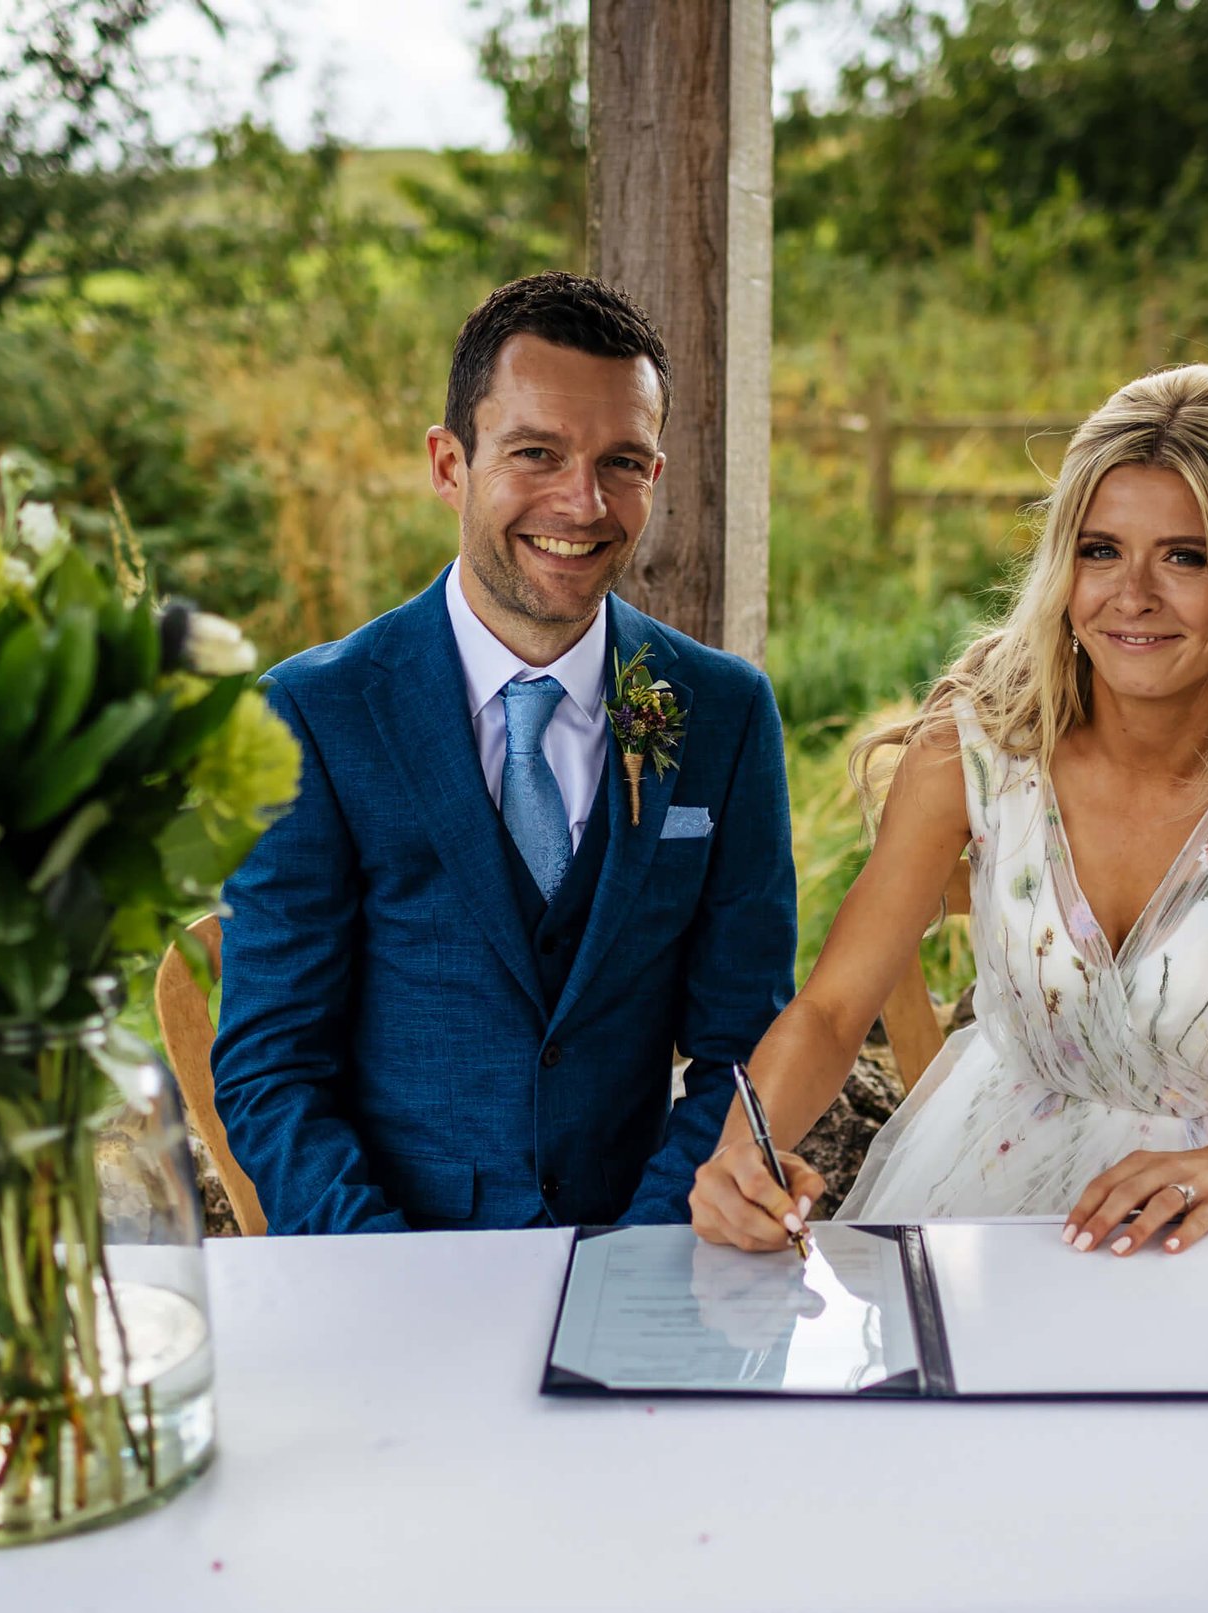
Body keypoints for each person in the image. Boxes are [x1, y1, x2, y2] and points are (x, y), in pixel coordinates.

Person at [691, 364, 1208, 1256]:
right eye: (1100, 550)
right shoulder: (976, 743)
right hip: (1002, 1201)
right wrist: (740, 1156)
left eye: (1186, 556)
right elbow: (836, 1011)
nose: (1132, 593)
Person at [212, 272, 797, 1233]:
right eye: (536, 453)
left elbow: (743, 1044)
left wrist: (645, 1251)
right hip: (398, 1268)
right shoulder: (313, 715)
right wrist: (394, 1269)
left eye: (622, 462)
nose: (582, 503)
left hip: (639, 1253)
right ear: (450, 464)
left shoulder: (722, 713)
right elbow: (273, 1070)